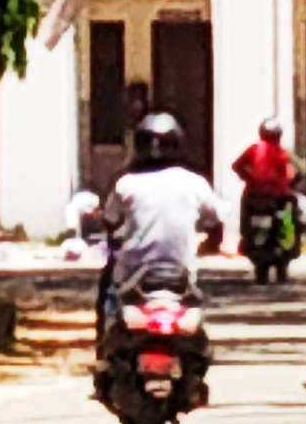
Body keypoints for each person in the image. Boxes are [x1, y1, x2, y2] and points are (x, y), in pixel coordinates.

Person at [85, 111, 223, 313]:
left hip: (133, 274)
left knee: (110, 296)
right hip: (180, 275)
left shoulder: (126, 183)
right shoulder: (195, 183)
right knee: (197, 313)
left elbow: (110, 219)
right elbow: (215, 217)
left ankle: (104, 337)